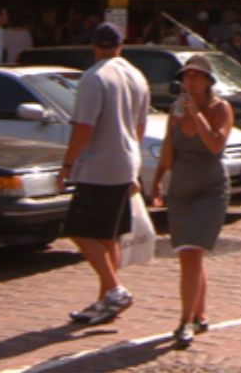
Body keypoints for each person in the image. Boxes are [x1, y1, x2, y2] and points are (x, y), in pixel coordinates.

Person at [62, 23, 151, 326]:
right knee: (107, 234)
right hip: (126, 161)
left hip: (100, 165)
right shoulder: (136, 76)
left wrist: (68, 163)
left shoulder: (94, 77)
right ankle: (106, 300)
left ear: (94, 47)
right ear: (120, 46)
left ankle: (114, 289)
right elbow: (140, 127)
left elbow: (84, 126)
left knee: (79, 229)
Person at [150, 54, 233, 348]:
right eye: (187, 76)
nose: (190, 81)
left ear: (208, 81)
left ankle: (184, 321)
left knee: (191, 255)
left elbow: (214, 144)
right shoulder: (176, 110)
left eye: (196, 76)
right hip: (181, 190)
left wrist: (196, 114)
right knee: (190, 256)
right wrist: (158, 179)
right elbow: (168, 148)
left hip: (209, 191)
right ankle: (200, 314)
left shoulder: (220, 108)